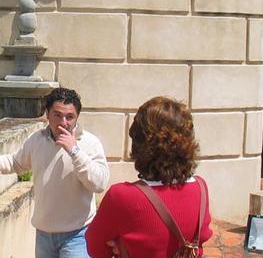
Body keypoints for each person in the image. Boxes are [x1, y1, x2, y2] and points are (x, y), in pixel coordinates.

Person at [0, 87, 110, 258]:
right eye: (57, 115)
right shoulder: (37, 140)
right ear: (47, 114)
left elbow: (99, 183)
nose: (64, 122)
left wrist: (74, 151)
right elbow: (15, 163)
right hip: (44, 234)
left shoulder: (89, 143)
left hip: (77, 235)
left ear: (77, 118)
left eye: (70, 117)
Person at [86, 97, 212, 258]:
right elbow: (201, 237)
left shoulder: (122, 196)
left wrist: (120, 246)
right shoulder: (201, 188)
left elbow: (96, 248)